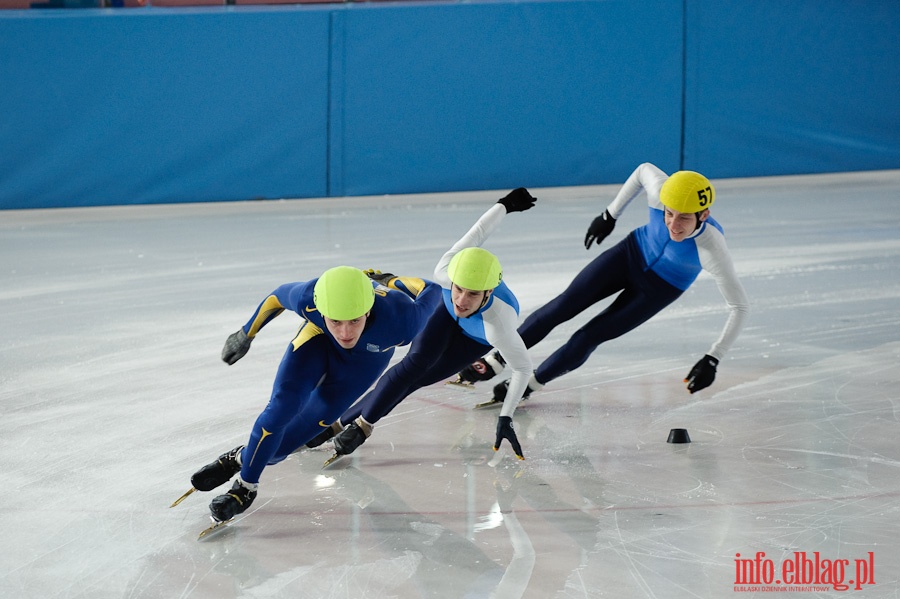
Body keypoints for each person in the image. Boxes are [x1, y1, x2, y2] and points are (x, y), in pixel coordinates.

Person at [456, 163, 749, 401]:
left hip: (661, 287)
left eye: (684, 218)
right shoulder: (662, 191)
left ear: (704, 214)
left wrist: (714, 357)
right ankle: (496, 360)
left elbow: (739, 306)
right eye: (668, 214)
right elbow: (642, 170)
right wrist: (610, 214)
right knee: (563, 305)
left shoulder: (712, 249)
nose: (672, 225)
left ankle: (530, 385)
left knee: (589, 336)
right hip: (631, 253)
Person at [184, 265, 442, 523]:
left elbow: (432, 289)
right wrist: (246, 333)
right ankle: (244, 489)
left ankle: (239, 458)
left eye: (355, 320)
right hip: (317, 340)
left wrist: (392, 281)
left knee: (278, 451)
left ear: (368, 309)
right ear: (321, 311)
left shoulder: (403, 320)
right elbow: (276, 297)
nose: (345, 333)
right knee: (281, 408)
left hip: (360, 367)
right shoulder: (309, 298)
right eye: (336, 320)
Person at [308, 188, 537, 461]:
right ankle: (355, 424)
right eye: (459, 289)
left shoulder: (498, 324)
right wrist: (504, 205)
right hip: (444, 313)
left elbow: (523, 369)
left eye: (473, 293)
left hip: (475, 337)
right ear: (451, 280)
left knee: (417, 380)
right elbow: (477, 233)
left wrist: (506, 416)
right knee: (412, 366)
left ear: (488, 292)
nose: (462, 301)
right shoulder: (445, 271)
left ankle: (350, 423)